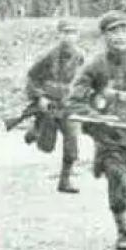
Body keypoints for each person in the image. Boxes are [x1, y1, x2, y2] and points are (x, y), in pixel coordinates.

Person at [65, 10, 126, 250]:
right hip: (108, 136)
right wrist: (99, 118)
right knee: (118, 180)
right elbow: (75, 101)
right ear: (104, 36)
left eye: (123, 30)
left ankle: (123, 201)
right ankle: (123, 231)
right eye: (113, 32)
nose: (119, 36)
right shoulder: (94, 65)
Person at [23, 19, 86, 193]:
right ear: (59, 35)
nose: (69, 37)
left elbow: (83, 80)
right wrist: (40, 97)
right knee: (46, 147)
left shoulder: (80, 56)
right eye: (66, 33)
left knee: (72, 139)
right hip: (49, 103)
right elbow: (32, 77)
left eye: (73, 33)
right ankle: (36, 130)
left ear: (78, 36)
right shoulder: (48, 56)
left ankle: (64, 181)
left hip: (67, 104)